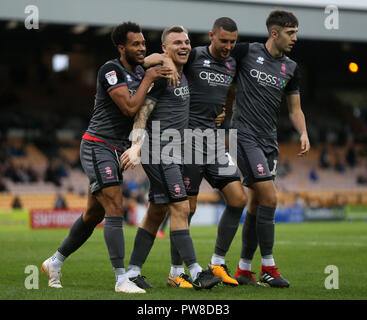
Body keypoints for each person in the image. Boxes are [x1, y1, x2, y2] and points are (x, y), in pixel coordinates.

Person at [41, 21, 174, 294]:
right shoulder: (111, 70)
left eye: (143, 43)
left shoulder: (138, 69)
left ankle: (55, 261)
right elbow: (128, 108)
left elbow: (153, 58)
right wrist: (150, 77)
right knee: (115, 205)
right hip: (97, 145)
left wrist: (163, 58)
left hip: (116, 149)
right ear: (121, 48)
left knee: (93, 214)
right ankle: (120, 279)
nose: (141, 48)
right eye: (135, 44)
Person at [121, 25, 222, 290]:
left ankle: (132, 272)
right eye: (177, 42)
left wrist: (217, 115)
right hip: (161, 152)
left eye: (187, 42)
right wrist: (135, 146)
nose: (185, 46)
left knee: (156, 212)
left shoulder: (183, 74)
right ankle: (196, 272)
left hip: (173, 151)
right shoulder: (162, 74)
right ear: (165, 48)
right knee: (181, 207)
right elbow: (142, 111)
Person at [164, 17, 248, 288]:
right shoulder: (194, 55)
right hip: (188, 141)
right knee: (186, 209)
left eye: (232, 42)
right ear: (212, 36)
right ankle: (176, 272)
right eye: (223, 40)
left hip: (213, 142)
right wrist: (164, 61)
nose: (228, 46)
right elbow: (161, 57)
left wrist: (222, 113)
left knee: (238, 199)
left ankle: (217, 262)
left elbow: (221, 94)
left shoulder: (233, 62)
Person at [229, 10, 310, 288]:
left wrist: (303, 132)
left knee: (256, 203)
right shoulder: (245, 51)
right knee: (271, 198)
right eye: (290, 33)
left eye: (296, 32)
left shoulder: (291, 67)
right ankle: (269, 267)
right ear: (274, 33)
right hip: (243, 134)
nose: (295, 38)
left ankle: (244, 270)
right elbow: (212, 57)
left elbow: (295, 108)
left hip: (268, 141)